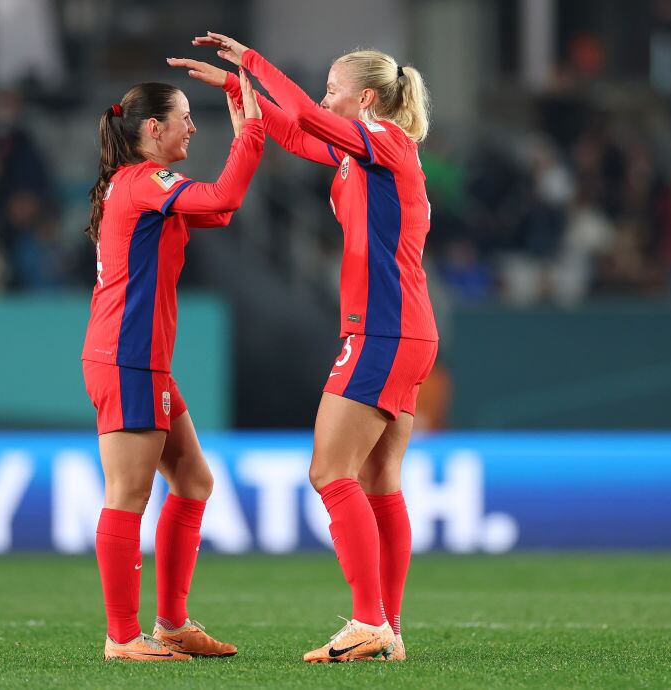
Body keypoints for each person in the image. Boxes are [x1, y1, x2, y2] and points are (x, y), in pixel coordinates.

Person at [173, 33, 438, 662]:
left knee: (329, 470)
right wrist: (241, 92)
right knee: (378, 479)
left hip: (383, 329)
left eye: (333, 88)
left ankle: (370, 622)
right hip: (403, 328)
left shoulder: (387, 142)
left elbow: (307, 117)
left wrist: (254, 64)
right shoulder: (361, 153)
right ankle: (387, 629)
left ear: (365, 99)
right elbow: (295, 134)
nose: (323, 98)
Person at [81, 73, 264, 662]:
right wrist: (252, 131)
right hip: (128, 357)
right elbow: (225, 199)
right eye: (185, 116)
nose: (193, 125)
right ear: (152, 130)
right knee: (127, 493)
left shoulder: (136, 185)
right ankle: (121, 637)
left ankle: (171, 623)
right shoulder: (143, 182)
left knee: (193, 482)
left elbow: (218, 213)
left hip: (142, 359)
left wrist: (245, 129)